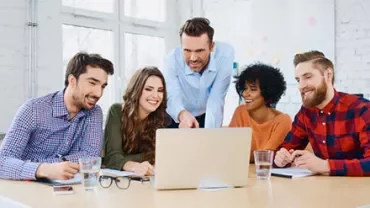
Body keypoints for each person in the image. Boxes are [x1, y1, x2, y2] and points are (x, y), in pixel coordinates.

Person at [0, 52, 114, 180]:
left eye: (103, 86)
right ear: (72, 81)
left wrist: (58, 165)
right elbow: (2, 161)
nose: (99, 93)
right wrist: (43, 169)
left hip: (67, 187)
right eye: (92, 83)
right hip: (26, 185)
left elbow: (91, 157)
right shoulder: (33, 109)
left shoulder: (94, 112)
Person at [274, 50, 370, 176]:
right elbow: (285, 149)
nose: (301, 86)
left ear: (328, 74)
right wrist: (280, 159)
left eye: (308, 77)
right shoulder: (306, 113)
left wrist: (325, 166)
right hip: (323, 189)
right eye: (298, 80)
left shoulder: (362, 110)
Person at [165, 17, 234, 128]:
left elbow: (216, 99)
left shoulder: (225, 55)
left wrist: (211, 136)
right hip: (177, 115)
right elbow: (172, 95)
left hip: (205, 115)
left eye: (199, 51)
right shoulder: (172, 59)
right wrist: (182, 114)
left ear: (211, 46)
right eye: (187, 50)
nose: (193, 58)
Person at [102, 67, 170, 176]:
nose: (156, 96)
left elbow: (161, 155)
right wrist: (135, 165)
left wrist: (125, 159)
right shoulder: (116, 111)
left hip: (146, 179)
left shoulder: (162, 117)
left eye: (160, 90)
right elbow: (111, 158)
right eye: (148, 89)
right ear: (136, 90)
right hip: (118, 182)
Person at [229, 63, 291, 162]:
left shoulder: (282, 121)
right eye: (245, 88)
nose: (245, 94)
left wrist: (240, 154)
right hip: (242, 171)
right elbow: (228, 149)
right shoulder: (240, 111)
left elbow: (266, 157)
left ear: (268, 93)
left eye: (253, 89)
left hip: (266, 174)